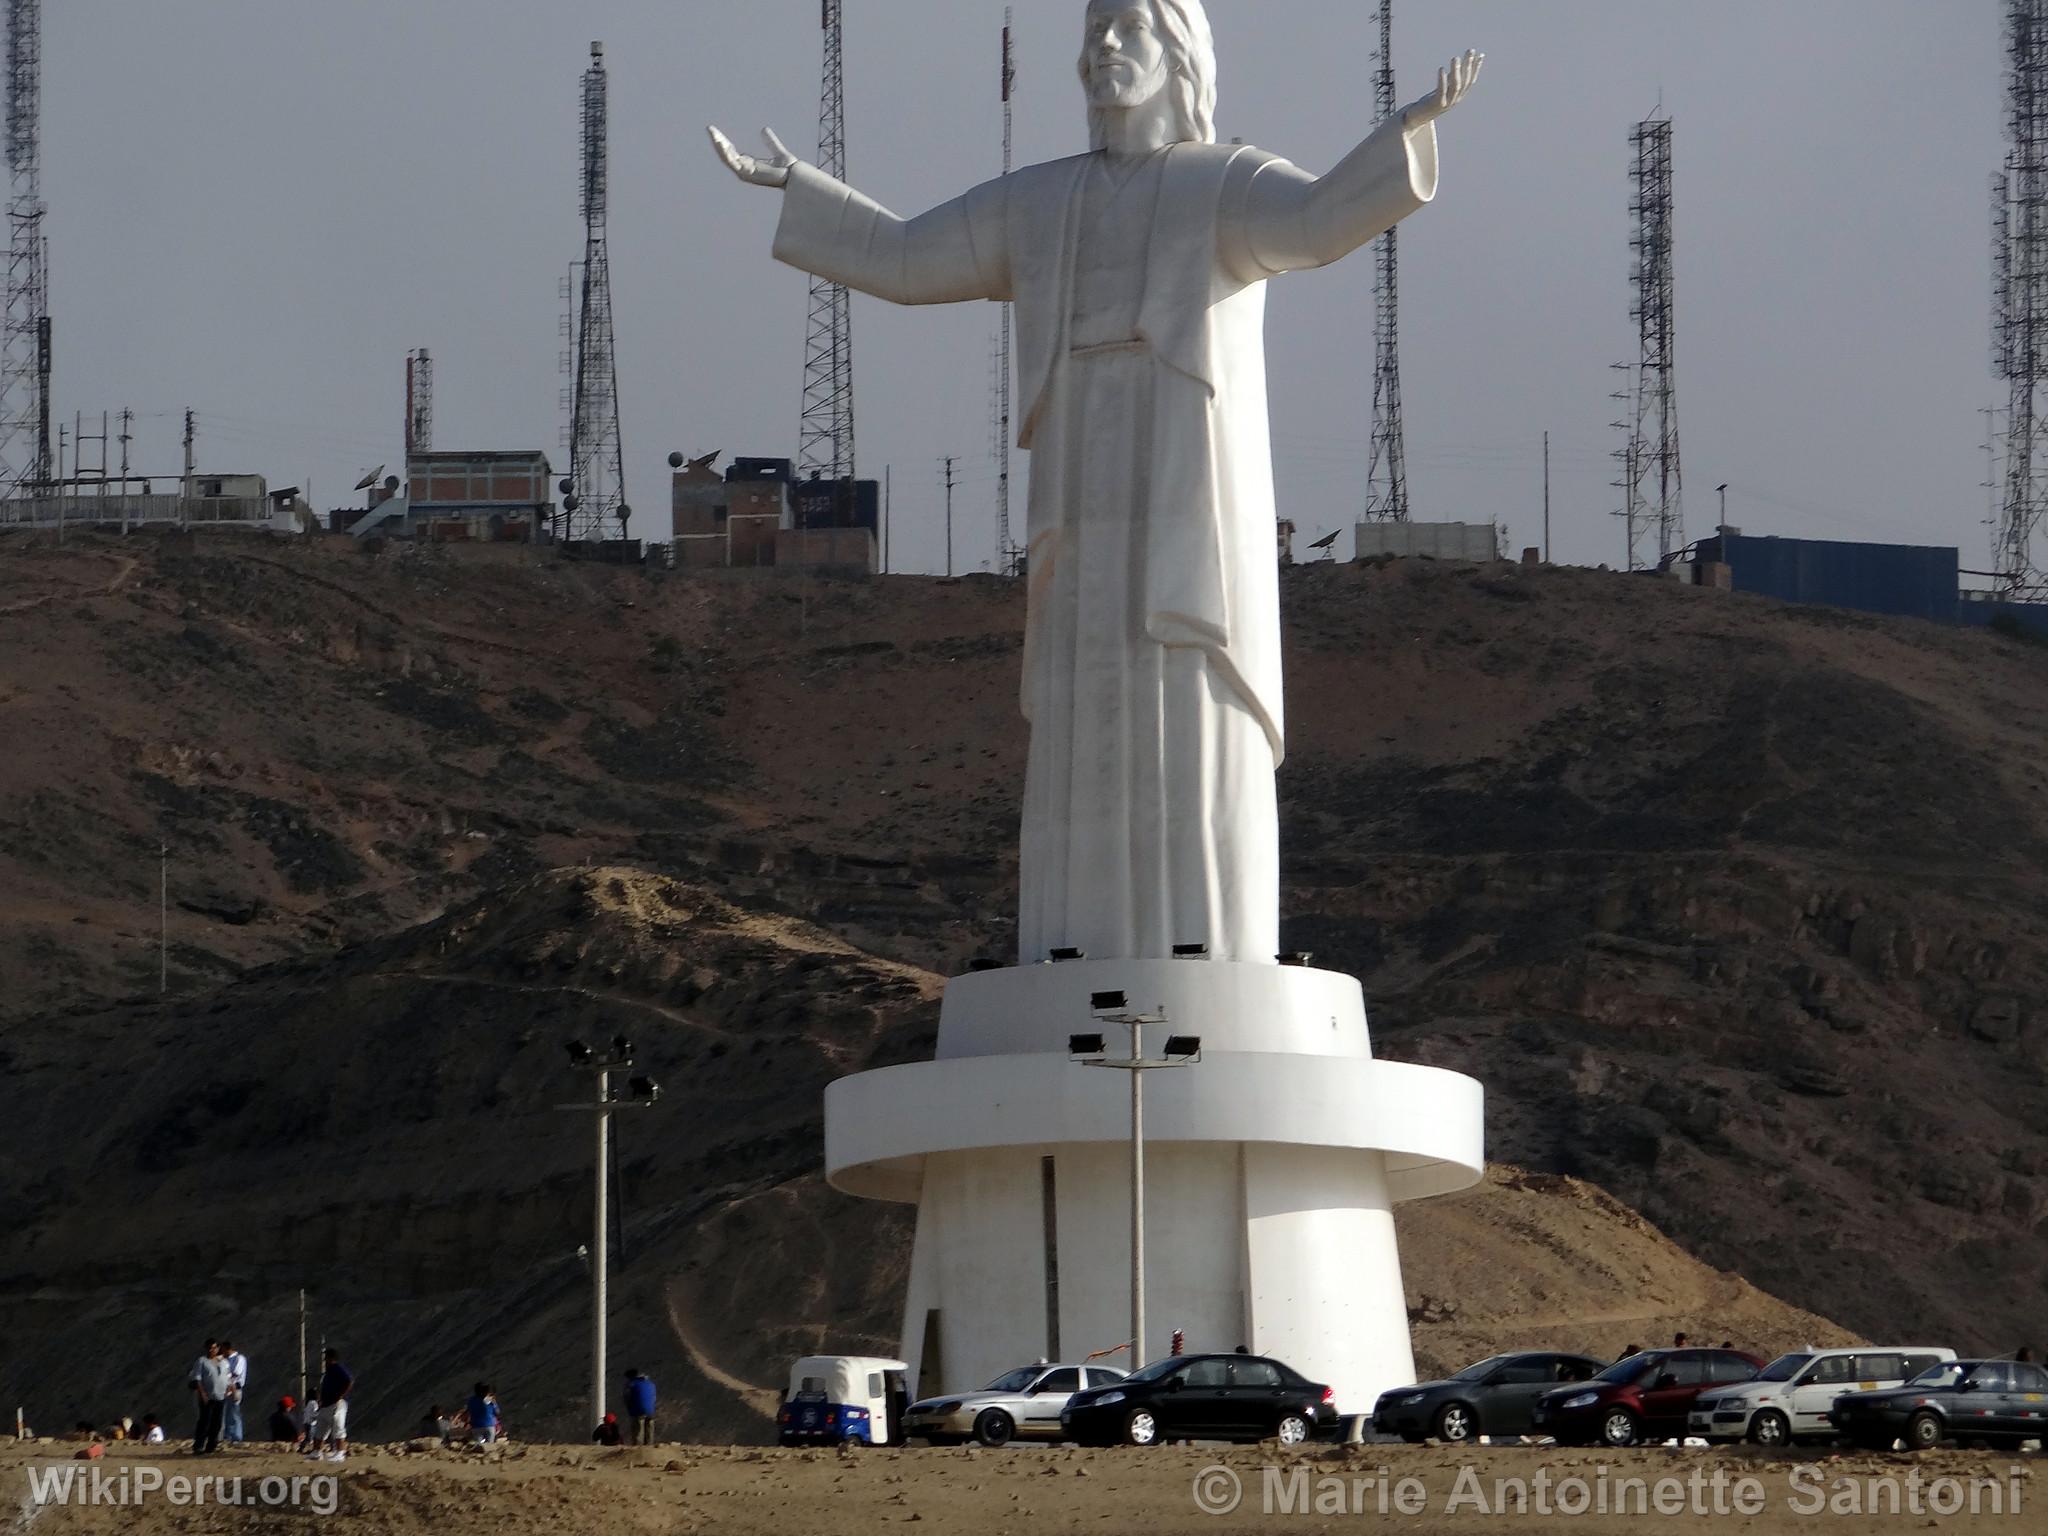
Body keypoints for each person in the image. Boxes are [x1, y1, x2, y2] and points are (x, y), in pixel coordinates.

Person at [709, 3, 1481, 965]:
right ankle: (1070, 944)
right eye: (1095, 29)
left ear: (1181, 53)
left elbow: (1322, 219)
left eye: (1129, 27)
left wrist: (1405, 130)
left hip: (1183, 468)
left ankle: (1205, 943)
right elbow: (907, 257)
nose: (1103, 47)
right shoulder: (1041, 200)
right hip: (1079, 470)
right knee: (1083, 692)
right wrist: (802, 189)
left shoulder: (1223, 183)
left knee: (1187, 681)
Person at [305, 1347, 353, 1463]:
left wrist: (340, 1395)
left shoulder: (337, 1368)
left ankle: (340, 1452)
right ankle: (317, 1452)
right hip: (326, 1404)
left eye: (326, 1357)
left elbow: (349, 1380)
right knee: (320, 1429)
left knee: (338, 1427)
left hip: (336, 1403)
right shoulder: (329, 1371)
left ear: (331, 1358)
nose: (324, 1360)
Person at [187, 1339, 233, 1455]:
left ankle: (211, 1445)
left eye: (214, 1348)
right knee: (205, 1421)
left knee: (217, 1422)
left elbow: (228, 1377)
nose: (211, 1350)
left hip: (221, 1396)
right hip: (208, 1396)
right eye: (209, 1348)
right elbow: (197, 1378)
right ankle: (199, 1446)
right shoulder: (202, 1361)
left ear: (218, 1348)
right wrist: (202, 1393)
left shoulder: (224, 1362)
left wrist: (229, 1389)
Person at [221, 1341, 249, 1444]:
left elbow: (236, 1373)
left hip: (235, 1388)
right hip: (224, 1390)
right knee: (225, 1413)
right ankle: (226, 1436)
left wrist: (230, 1386)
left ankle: (236, 1436)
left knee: (234, 1412)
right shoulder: (224, 1359)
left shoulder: (239, 1359)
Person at [624, 1369, 656, 1446]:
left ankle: (638, 1448)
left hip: (638, 1411)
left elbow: (627, 1398)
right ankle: (649, 1446)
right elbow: (654, 1398)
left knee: (638, 1430)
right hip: (650, 1411)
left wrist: (630, 1410)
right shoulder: (651, 1383)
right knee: (649, 1429)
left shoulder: (631, 1384)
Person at [465, 1382, 500, 1447]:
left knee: (478, 1446)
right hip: (489, 1425)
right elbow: (497, 1412)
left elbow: (468, 1411)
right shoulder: (489, 1399)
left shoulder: (471, 1400)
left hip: (476, 1426)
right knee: (489, 1446)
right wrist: (494, 1402)